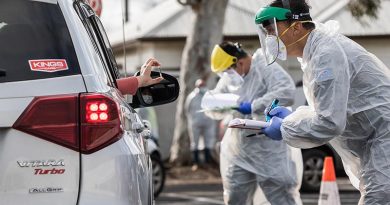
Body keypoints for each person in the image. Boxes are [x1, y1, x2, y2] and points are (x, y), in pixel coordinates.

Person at [255, 0, 390, 204]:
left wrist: (285, 128)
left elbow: (330, 122)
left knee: (378, 199)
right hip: (377, 141)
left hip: (384, 137)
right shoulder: (314, 53)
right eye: (266, 33)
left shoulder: (326, 54)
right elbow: (333, 108)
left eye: (272, 30)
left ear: (297, 26)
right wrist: (293, 116)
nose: (269, 38)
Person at [208, 41, 302, 205]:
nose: (226, 76)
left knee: (281, 197)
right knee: (235, 198)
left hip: (269, 152)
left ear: (239, 62)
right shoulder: (230, 78)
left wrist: (254, 106)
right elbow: (214, 101)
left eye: (227, 71)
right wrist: (216, 103)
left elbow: (286, 91)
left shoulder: (264, 66)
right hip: (240, 152)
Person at [185, 79, 217, 170]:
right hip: (195, 123)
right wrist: (192, 119)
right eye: (200, 85)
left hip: (208, 122)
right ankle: (196, 163)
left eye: (203, 85)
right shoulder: (191, 97)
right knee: (195, 143)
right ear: (196, 86)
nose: (202, 87)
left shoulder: (209, 95)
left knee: (208, 142)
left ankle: (207, 162)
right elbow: (187, 110)